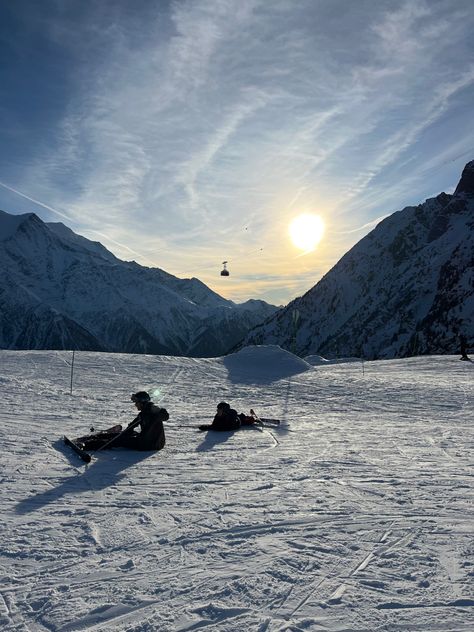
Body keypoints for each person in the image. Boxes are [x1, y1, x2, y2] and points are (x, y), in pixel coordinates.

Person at [76, 391, 168, 451]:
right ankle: (95, 438)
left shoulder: (151, 412)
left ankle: (86, 445)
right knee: (125, 434)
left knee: (117, 440)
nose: (135, 405)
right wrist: (126, 432)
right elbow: (132, 426)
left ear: (142, 403)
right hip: (152, 442)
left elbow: (165, 416)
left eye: (137, 402)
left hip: (147, 445)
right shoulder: (144, 413)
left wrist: (159, 411)